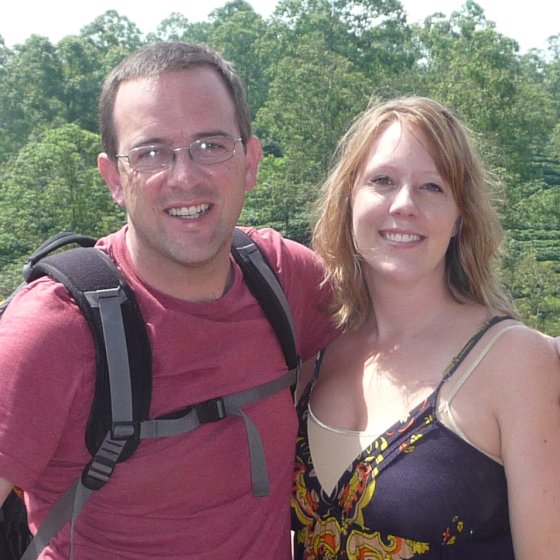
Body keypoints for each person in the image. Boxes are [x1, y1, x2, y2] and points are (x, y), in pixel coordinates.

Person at [0, 42, 336, 559]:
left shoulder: (282, 276)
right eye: (151, 153)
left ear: (250, 162)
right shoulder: (55, 328)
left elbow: (401, 341)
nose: (185, 176)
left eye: (210, 145)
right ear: (114, 179)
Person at [291, 96, 560, 559]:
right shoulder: (314, 352)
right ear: (349, 199)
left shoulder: (515, 361)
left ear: (459, 219)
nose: (404, 205)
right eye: (382, 181)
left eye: (432, 187)